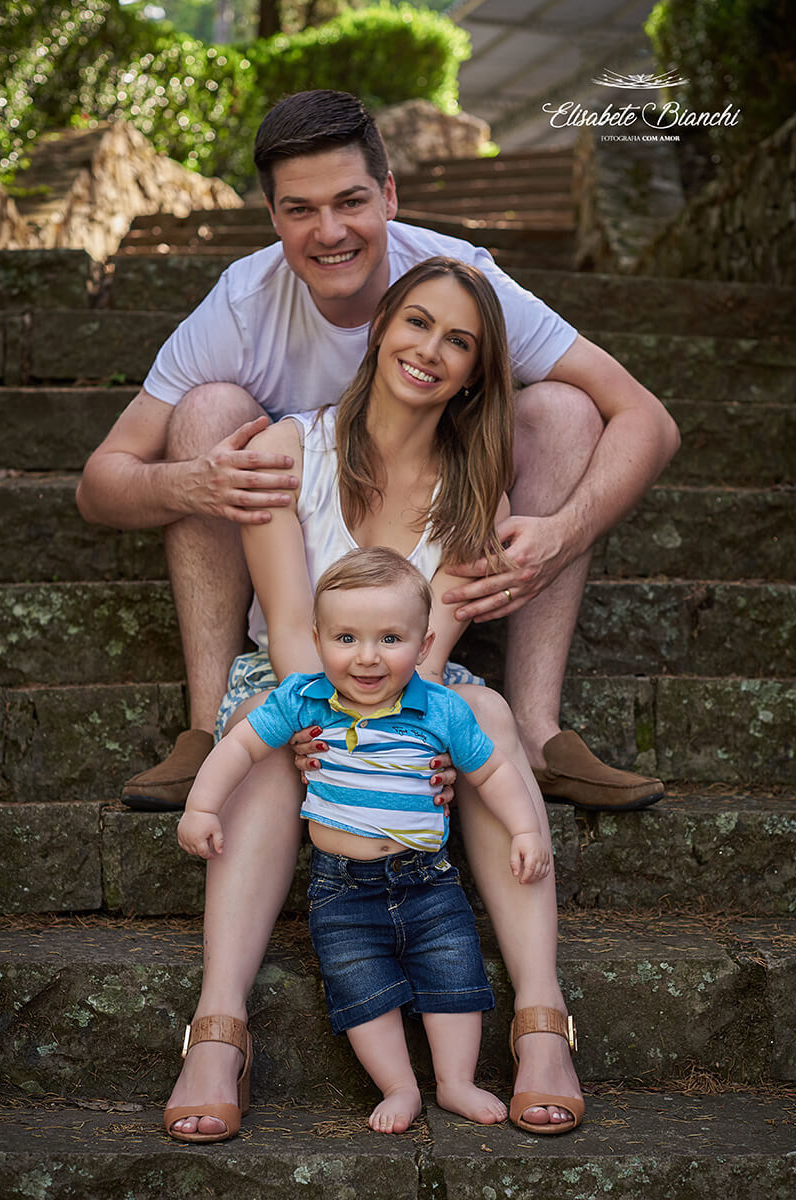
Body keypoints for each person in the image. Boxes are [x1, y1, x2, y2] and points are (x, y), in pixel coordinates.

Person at [76, 88, 679, 816]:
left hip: (438, 546)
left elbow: (647, 418)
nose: (329, 231)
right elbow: (100, 483)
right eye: (299, 209)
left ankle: (535, 730)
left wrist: (560, 534)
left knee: (565, 409)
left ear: (388, 194)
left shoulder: (456, 280)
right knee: (208, 413)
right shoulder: (241, 302)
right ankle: (208, 728)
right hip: (295, 558)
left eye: (350, 201)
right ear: (272, 217)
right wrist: (194, 483)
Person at [161, 256, 585, 1143]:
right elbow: (285, 625)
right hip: (296, 672)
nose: (431, 350)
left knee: (489, 720)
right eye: (418, 323)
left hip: (410, 684)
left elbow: (433, 650)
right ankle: (217, 1028)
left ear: (475, 371)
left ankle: (542, 1022)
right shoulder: (286, 449)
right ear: (382, 324)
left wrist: (410, 730)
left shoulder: (477, 491)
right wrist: (318, 715)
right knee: (267, 734)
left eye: (459, 342)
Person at [176, 547, 555, 1137]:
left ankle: (454, 1081)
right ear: (318, 638)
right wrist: (201, 806)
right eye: (346, 639)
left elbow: (494, 773)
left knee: (454, 978)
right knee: (361, 989)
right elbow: (241, 748)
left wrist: (527, 827)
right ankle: (399, 1084)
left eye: (390, 639)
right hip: (343, 889)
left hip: (427, 881)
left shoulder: (440, 708)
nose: (368, 657)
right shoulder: (302, 700)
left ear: (425, 647)